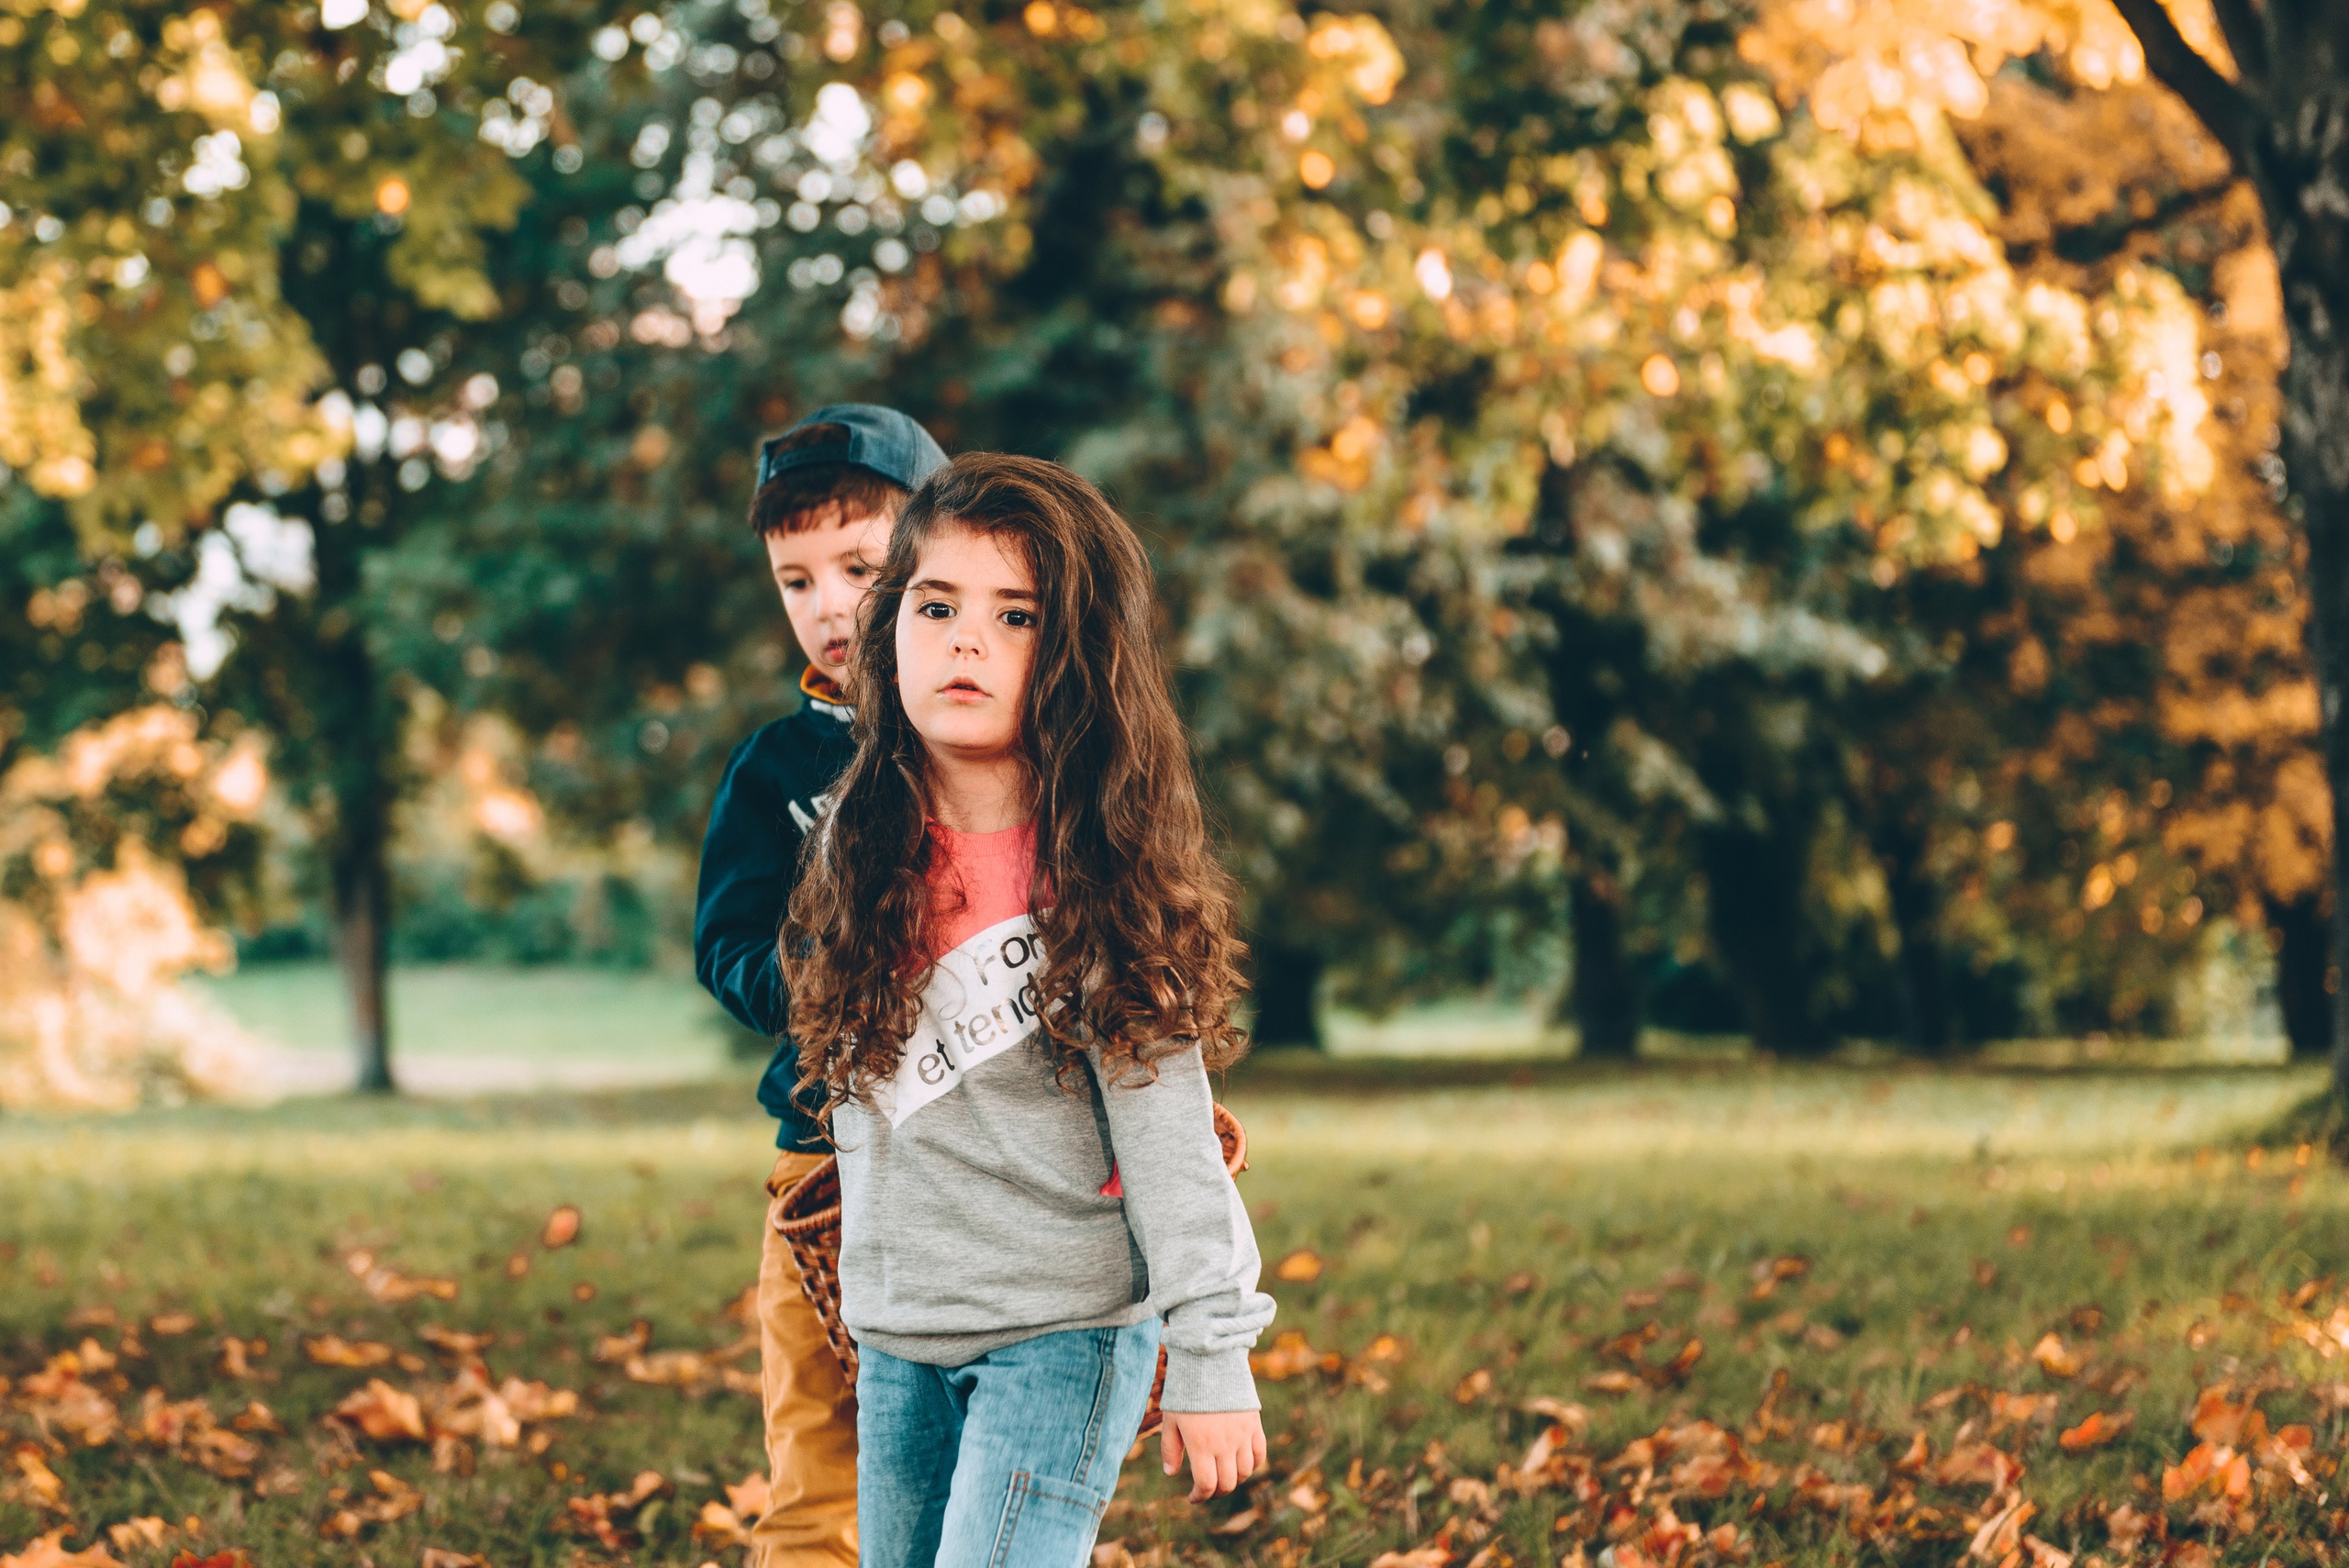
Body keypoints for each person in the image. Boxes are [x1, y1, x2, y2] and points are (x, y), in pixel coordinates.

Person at [782, 452, 1275, 1566]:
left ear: (1074, 660)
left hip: (1062, 1330)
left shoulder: (1093, 871)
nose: (966, 639)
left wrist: (1211, 1350)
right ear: (888, 629)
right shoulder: (853, 849)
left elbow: (1168, 1134)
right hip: (899, 1336)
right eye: (938, 604)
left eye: (1016, 616)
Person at [694, 404, 948, 1568]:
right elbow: (726, 939)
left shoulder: (1004, 736)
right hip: (824, 1158)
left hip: (982, 1159)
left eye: (860, 565)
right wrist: (809, 980)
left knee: (975, 1450)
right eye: (796, 578)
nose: (829, 602)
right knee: (816, 1454)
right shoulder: (778, 766)